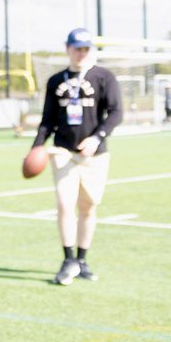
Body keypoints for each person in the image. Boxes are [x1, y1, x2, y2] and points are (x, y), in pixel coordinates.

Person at [29, 27, 122, 286]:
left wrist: (96, 138)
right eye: (77, 48)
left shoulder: (104, 77)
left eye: (85, 48)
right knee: (63, 203)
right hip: (62, 151)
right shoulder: (56, 80)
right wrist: (36, 147)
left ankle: (82, 260)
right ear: (67, 48)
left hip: (95, 154)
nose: (81, 53)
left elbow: (116, 113)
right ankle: (67, 258)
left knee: (88, 206)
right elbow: (47, 121)